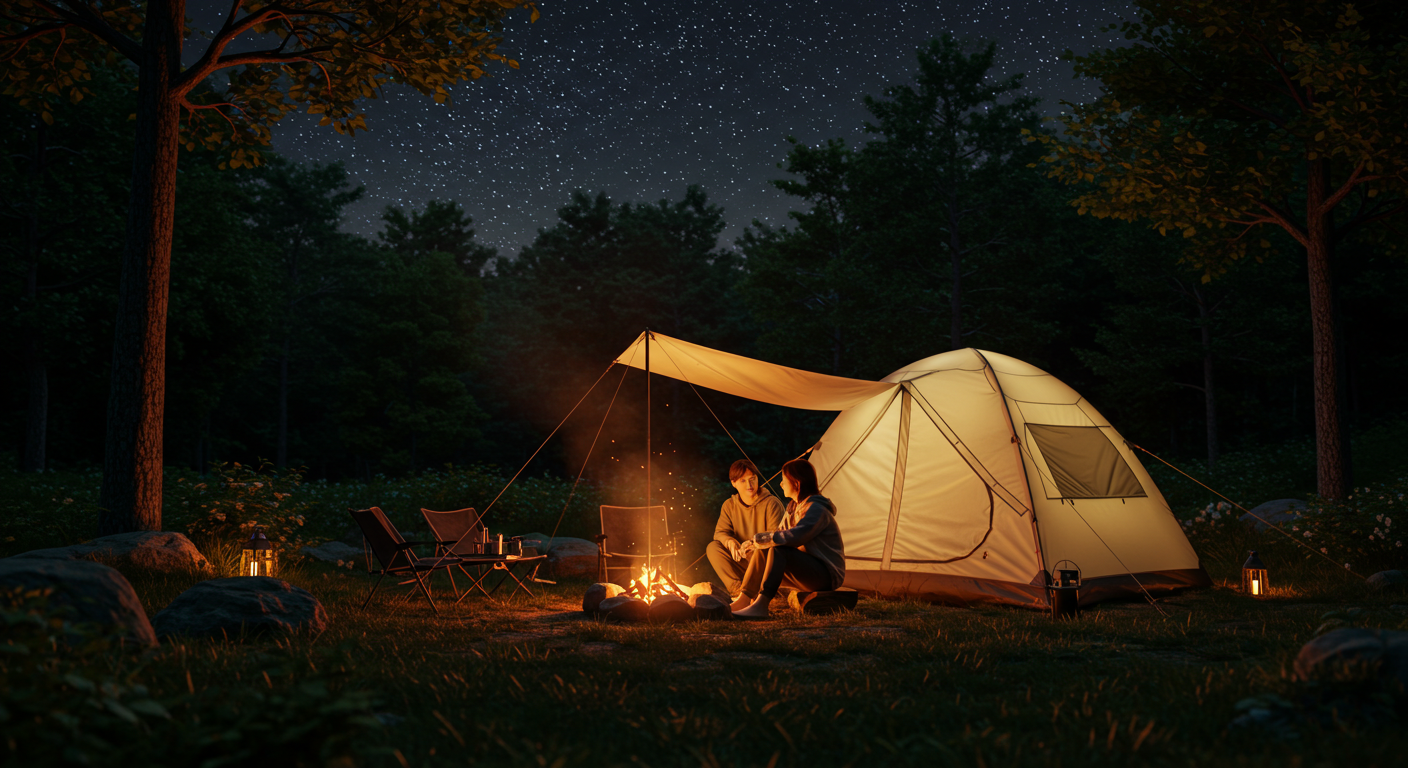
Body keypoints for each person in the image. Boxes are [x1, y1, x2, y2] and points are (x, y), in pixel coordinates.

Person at [731, 458, 845, 619]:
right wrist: (754, 543)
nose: (781, 484)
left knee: (779, 549)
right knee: (767, 547)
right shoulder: (794, 507)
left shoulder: (817, 509)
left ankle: (762, 605)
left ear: (796, 483)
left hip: (826, 575)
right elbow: (778, 534)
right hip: (807, 570)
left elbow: (798, 536)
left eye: (784, 480)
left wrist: (763, 538)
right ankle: (744, 599)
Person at [707, 459, 786, 596]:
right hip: (741, 562)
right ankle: (737, 589)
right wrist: (730, 542)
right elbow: (720, 532)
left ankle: (765, 588)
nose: (749, 485)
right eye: (743, 481)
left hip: (763, 561)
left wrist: (752, 544)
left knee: (769, 551)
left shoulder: (771, 503)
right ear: (734, 483)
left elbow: (776, 537)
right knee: (713, 548)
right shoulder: (729, 505)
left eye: (752, 479)